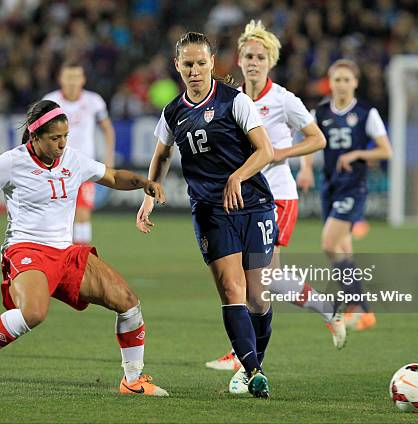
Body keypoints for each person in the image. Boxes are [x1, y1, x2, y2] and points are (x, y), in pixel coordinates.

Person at [0, 100, 169, 397]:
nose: (62, 144)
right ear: (35, 137)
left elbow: (111, 176)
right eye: (55, 138)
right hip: (26, 248)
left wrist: (142, 182)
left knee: (128, 302)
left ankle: (132, 380)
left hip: (65, 254)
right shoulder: (12, 161)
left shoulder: (73, 159)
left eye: (66, 136)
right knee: (33, 312)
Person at [205, 20, 346, 393]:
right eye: (248, 56)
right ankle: (320, 313)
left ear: (271, 61)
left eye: (260, 57)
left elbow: (317, 139)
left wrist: (281, 153)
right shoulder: (232, 97)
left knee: (261, 281)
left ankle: (247, 360)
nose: (253, 62)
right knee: (260, 281)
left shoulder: (283, 99)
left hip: (277, 196)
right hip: (243, 197)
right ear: (238, 60)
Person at [136, 31, 276, 398]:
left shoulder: (235, 101)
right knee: (233, 289)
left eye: (201, 63)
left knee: (259, 298)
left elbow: (266, 151)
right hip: (211, 210)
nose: (195, 71)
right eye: (188, 64)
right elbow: (163, 154)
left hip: (254, 204)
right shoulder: (173, 111)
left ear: (213, 62)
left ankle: (253, 361)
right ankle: (253, 370)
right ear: (177, 67)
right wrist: (149, 195)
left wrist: (237, 176)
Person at [297, 59, 393, 330]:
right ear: (331, 82)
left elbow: (386, 151)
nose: (341, 84)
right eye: (336, 79)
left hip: (353, 185)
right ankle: (363, 311)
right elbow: (309, 144)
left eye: (346, 80)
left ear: (355, 83)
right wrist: (305, 169)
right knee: (343, 247)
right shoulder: (321, 112)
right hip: (329, 185)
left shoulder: (366, 113)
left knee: (329, 244)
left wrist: (359, 153)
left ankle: (357, 304)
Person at [43, 61, 115, 245]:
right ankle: (58, 256)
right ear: (60, 79)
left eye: (76, 77)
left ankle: (82, 260)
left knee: (83, 214)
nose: (72, 81)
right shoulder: (50, 102)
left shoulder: (94, 101)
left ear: (83, 79)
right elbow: (35, 132)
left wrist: (109, 158)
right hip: (55, 168)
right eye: (69, 77)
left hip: (83, 168)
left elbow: (107, 129)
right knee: (57, 217)